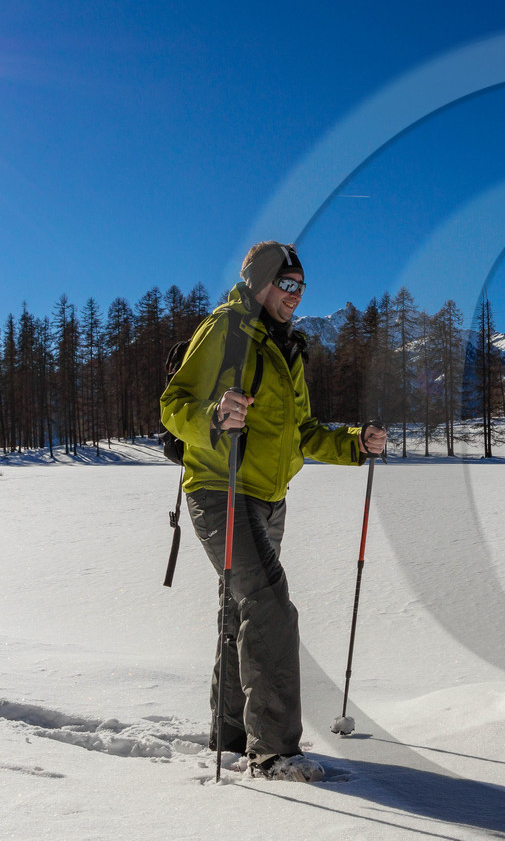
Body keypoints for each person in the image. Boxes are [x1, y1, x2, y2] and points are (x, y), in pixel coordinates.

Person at [162, 241, 387, 782]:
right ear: (259, 283)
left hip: (269, 499)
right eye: (287, 285)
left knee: (242, 612)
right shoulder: (225, 329)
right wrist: (215, 414)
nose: (296, 296)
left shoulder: (288, 349)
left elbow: (303, 433)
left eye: (302, 287)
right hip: (220, 490)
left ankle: (233, 735)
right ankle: (276, 752)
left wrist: (357, 443)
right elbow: (174, 405)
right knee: (269, 607)